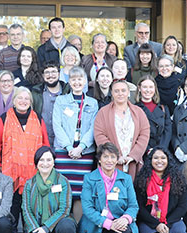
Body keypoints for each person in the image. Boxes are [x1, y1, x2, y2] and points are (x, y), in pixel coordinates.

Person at [0, 86, 50, 233]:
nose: (23, 101)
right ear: (14, 100)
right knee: (10, 214)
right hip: (9, 176)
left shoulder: (38, 118)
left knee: (30, 215)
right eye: (20, 98)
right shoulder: (4, 118)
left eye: (27, 99)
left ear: (31, 101)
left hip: (33, 177)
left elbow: (45, 145)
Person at [51, 67, 98, 222]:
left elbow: (93, 128)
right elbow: (57, 125)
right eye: (74, 79)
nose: (77, 82)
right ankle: (62, 227)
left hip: (84, 154)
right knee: (62, 190)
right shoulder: (61, 100)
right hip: (64, 152)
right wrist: (70, 148)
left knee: (80, 192)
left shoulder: (92, 102)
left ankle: (78, 231)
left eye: (80, 79)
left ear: (85, 81)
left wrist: (81, 147)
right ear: (69, 82)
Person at [78, 142, 139, 233]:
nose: (109, 160)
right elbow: (87, 208)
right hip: (97, 222)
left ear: (117, 160)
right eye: (105, 157)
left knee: (125, 232)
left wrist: (125, 218)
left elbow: (133, 205)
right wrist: (108, 224)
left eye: (112, 157)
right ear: (100, 160)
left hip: (119, 220)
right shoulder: (89, 179)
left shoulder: (126, 179)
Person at [93, 81, 151, 179]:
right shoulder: (103, 112)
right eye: (116, 91)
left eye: (123, 90)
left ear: (128, 93)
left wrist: (133, 155)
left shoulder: (138, 112)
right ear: (112, 93)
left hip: (133, 162)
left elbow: (144, 133)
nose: (120, 93)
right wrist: (115, 155)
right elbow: (99, 134)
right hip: (111, 162)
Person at [20, 146, 76, 233]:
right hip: (36, 225)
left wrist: (46, 228)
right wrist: (36, 229)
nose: (45, 163)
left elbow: (64, 209)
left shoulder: (62, 181)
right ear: (36, 163)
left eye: (49, 160)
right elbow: (26, 210)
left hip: (58, 224)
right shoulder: (29, 184)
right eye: (41, 160)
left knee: (67, 226)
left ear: (54, 162)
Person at [134, 148, 187, 233]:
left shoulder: (178, 180)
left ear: (168, 160)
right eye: (156, 158)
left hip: (171, 220)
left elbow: (182, 206)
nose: (159, 161)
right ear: (150, 160)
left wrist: (166, 223)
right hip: (148, 221)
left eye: (163, 158)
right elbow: (139, 207)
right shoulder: (142, 180)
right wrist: (157, 224)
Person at [31, 63, 71, 145]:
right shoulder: (36, 92)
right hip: (41, 138)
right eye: (47, 72)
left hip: (63, 140)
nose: (50, 75)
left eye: (53, 72)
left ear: (59, 74)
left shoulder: (67, 91)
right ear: (43, 75)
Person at [135, 76, 172, 155]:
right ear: (139, 88)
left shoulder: (163, 108)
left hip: (162, 152)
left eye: (151, 87)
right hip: (143, 152)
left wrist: (161, 150)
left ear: (155, 88)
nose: (148, 90)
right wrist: (148, 150)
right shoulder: (134, 109)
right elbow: (135, 134)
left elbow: (167, 131)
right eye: (145, 87)